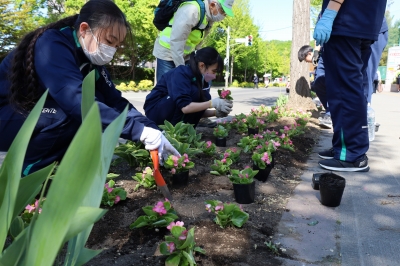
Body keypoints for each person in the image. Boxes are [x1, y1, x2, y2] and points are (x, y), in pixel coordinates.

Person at [0, 0, 179, 176]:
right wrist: (137, 131)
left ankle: (55, 170)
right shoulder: (51, 45)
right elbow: (75, 101)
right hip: (7, 115)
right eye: (110, 40)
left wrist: (152, 129)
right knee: (71, 115)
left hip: (31, 115)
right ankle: (24, 178)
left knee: (97, 108)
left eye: (117, 46)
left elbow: (115, 102)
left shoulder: (90, 61)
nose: (112, 51)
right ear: (84, 29)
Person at [314, 0, 387, 172]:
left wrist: (330, 13)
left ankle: (352, 154)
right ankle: (343, 147)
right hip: (366, 21)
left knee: (343, 90)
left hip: (346, 20)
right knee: (351, 88)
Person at [144, 47, 233, 127]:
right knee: (192, 95)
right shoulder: (180, 74)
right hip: (156, 111)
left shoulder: (201, 82)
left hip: (171, 110)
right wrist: (212, 103)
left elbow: (196, 110)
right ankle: (167, 130)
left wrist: (215, 113)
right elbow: (185, 107)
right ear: (202, 65)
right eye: (214, 71)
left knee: (201, 98)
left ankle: (181, 131)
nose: (215, 75)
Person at [153, 0, 235, 82]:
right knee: (165, 88)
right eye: (223, 11)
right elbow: (177, 41)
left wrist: (197, 60)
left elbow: (199, 42)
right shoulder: (192, 10)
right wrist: (181, 69)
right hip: (167, 52)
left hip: (185, 55)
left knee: (191, 85)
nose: (224, 15)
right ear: (212, 5)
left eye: (225, 14)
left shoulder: (209, 19)